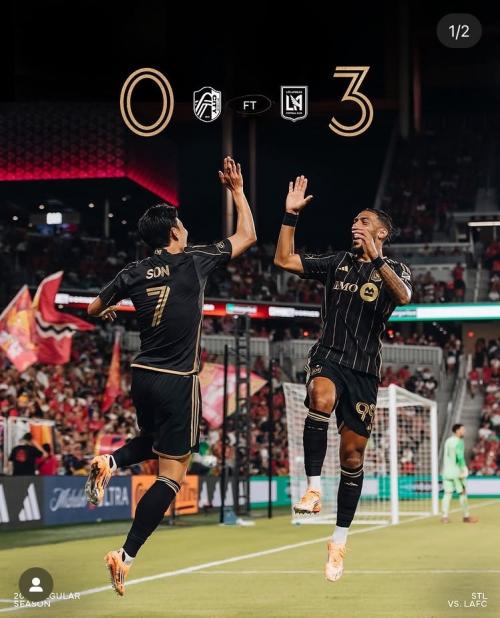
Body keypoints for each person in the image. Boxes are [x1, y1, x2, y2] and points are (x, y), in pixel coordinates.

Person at [85, 157, 256, 595]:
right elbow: (247, 237)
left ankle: (110, 462)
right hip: (178, 377)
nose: (185, 227)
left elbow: (92, 307)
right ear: (175, 233)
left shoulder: (132, 271)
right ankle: (125, 556)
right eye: (181, 223)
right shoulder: (194, 261)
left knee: (154, 441)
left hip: (143, 374)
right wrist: (237, 191)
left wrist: (114, 307)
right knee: (171, 475)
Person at [274, 176, 412, 582]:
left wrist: (378, 259)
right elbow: (284, 260)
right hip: (328, 357)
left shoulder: (395, 269)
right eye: (354, 220)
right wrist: (290, 216)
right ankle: (313, 488)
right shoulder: (337, 262)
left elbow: (403, 296)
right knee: (319, 398)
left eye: (364, 221)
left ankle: (338, 541)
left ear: (381, 232)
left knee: (352, 458)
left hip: (365, 371)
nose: (355, 224)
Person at [441, 423, 478, 524]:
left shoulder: (448, 441)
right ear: (457, 431)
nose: (464, 431)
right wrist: (464, 468)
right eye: (462, 429)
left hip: (446, 471)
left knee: (447, 494)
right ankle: (466, 517)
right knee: (462, 493)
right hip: (456, 472)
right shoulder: (459, 442)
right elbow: (459, 457)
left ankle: (444, 517)